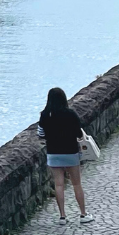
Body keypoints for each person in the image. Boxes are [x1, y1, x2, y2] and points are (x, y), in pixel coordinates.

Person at [37, 87, 93, 224]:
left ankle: (62, 216)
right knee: (76, 184)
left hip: (53, 153)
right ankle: (83, 214)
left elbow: (41, 134)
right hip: (71, 152)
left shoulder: (45, 115)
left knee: (59, 185)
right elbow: (79, 134)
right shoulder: (70, 114)